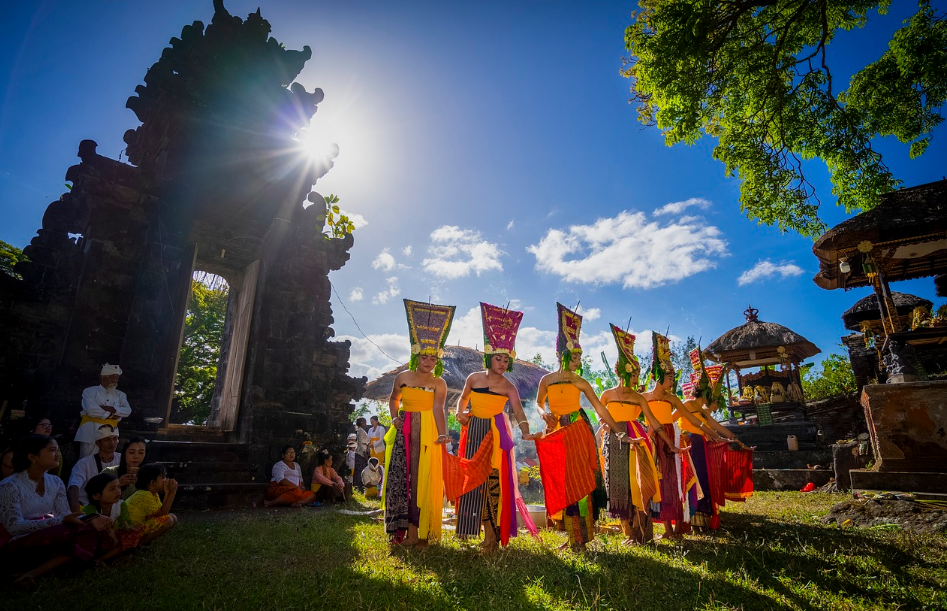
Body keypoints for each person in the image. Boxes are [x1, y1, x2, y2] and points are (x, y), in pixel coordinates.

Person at [533, 303, 629, 551]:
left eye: (579, 357)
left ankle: (581, 538)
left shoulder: (581, 381)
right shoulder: (547, 380)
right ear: (561, 355)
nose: (578, 361)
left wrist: (617, 428)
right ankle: (571, 536)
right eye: (574, 356)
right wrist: (544, 415)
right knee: (562, 482)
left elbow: (599, 408)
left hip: (576, 431)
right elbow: (538, 403)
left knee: (580, 480)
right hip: (555, 434)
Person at [451, 302, 540, 553]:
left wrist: (524, 430)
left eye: (505, 360)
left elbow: (519, 412)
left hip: (497, 432)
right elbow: (463, 399)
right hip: (474, 429)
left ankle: (491, 539)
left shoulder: (509, 386)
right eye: (498, 358)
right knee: (472, 479)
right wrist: (460, 413)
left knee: (492, 482)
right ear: (489, 357)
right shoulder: (474, 378)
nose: (502, 363)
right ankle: (470, 530)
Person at [383, 299, 453, 546]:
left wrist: (442, 434)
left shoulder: (439, 383)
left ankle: (422, 533)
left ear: (438, 360)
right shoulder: (402, 377)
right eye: (425, 356)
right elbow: (394, 400)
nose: (429, 362)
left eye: (433, 358)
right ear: (416, 355)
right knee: (403, 478)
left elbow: (438, 409)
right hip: (404, 430)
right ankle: (402, 533)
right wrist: (394, 418)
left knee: (423, 479)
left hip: (428, 432)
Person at [641, 332, 723, 540]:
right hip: (651, 439)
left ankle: (677, 528)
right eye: (669, 377)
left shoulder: (673, 398)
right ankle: (665, 529)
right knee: (657, 483)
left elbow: (694, 420)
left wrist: (711, 433)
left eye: (673, 377)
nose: (672, 380)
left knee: (674, 482)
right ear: (658, 376)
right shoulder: (644, 397)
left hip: (671, 439)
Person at [0, 434, 110, 587]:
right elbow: (14, 527)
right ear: (32, 456)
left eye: (57, 450)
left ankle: (33, 573)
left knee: (90, 528)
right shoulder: (9, 486)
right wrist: (60, 521)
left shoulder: (55, 482)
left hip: (47, 534)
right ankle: (81, 562)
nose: (58, 454)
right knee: (69, 534)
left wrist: (91, 518)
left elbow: (64, 514)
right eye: (52, 450)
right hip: (16, 543)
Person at [599, 324, 674, 546]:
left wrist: (671, 443)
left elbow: (655, 423)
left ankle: (642, 534)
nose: (637, 377)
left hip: (636, 440)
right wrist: (606, 426)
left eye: (639, 373)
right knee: (618, 485)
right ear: (622, 372)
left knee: (638, 484)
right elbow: (602, 417)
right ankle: (629, 533)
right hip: (613, 439)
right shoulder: (607, 394)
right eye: (634, 373)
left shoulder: (640, 398)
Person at [682, 351, 751, 531]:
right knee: (691, 480)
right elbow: (672, 419)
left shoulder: (703, 411)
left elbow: (719, 427)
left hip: (700, 446)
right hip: (687, 445)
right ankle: (689, 518)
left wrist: (737, 440)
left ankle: (702, 518)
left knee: (703, 479)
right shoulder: (686, 404)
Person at [77, 364, 131, 457]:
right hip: (91, 432)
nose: (115, 380)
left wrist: (111, 408)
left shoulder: (121, 395)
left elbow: (127, 411)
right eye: (112, 377)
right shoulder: (89, 391)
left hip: (111, 432)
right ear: (102, 377)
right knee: (87, 459)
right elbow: (91, 410)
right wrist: (112, 415)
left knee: (109, 459)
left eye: (117, 378)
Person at [82, 472, 141, 553]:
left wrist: (129, 528)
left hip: (114, 536)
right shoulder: (89, 509)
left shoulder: (121, 504)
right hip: (97, 540)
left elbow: (124, 521)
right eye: (112, 489)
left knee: (134, 536)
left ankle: (103, 558)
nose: (118, 491)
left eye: (118, 487)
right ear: (97, 496)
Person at [67, 425, 121, 511]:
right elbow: (73, 487)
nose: (112, 443)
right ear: (98, 443)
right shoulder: (84, 463)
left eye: (114, 438)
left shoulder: (122, 459)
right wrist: (75, 510)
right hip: (87, 508)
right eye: (107, 439)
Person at [125, 463, 178, 543]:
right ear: (152, 483)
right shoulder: (145, 495)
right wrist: (172, 492)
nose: (166, 480)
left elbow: (161, 512)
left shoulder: (153, 494)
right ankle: (141, 542)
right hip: (130, 530)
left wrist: (167, 492)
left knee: (172, 517)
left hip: (139, 525)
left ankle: (145, 540)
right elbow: (163, 513)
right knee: (169, 520)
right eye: (163, 477)